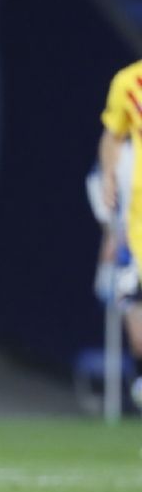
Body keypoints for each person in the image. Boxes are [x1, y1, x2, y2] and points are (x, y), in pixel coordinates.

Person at [97, 61, 142, 410]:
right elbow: (112, 136)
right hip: (138, 226)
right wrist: (109, 175)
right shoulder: (128, 82)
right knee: (133, 313)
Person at [86, 145, 142, 411]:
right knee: (137, 333)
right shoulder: (118, 148)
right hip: (130, 255)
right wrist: (111, 230)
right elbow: (97, 182)